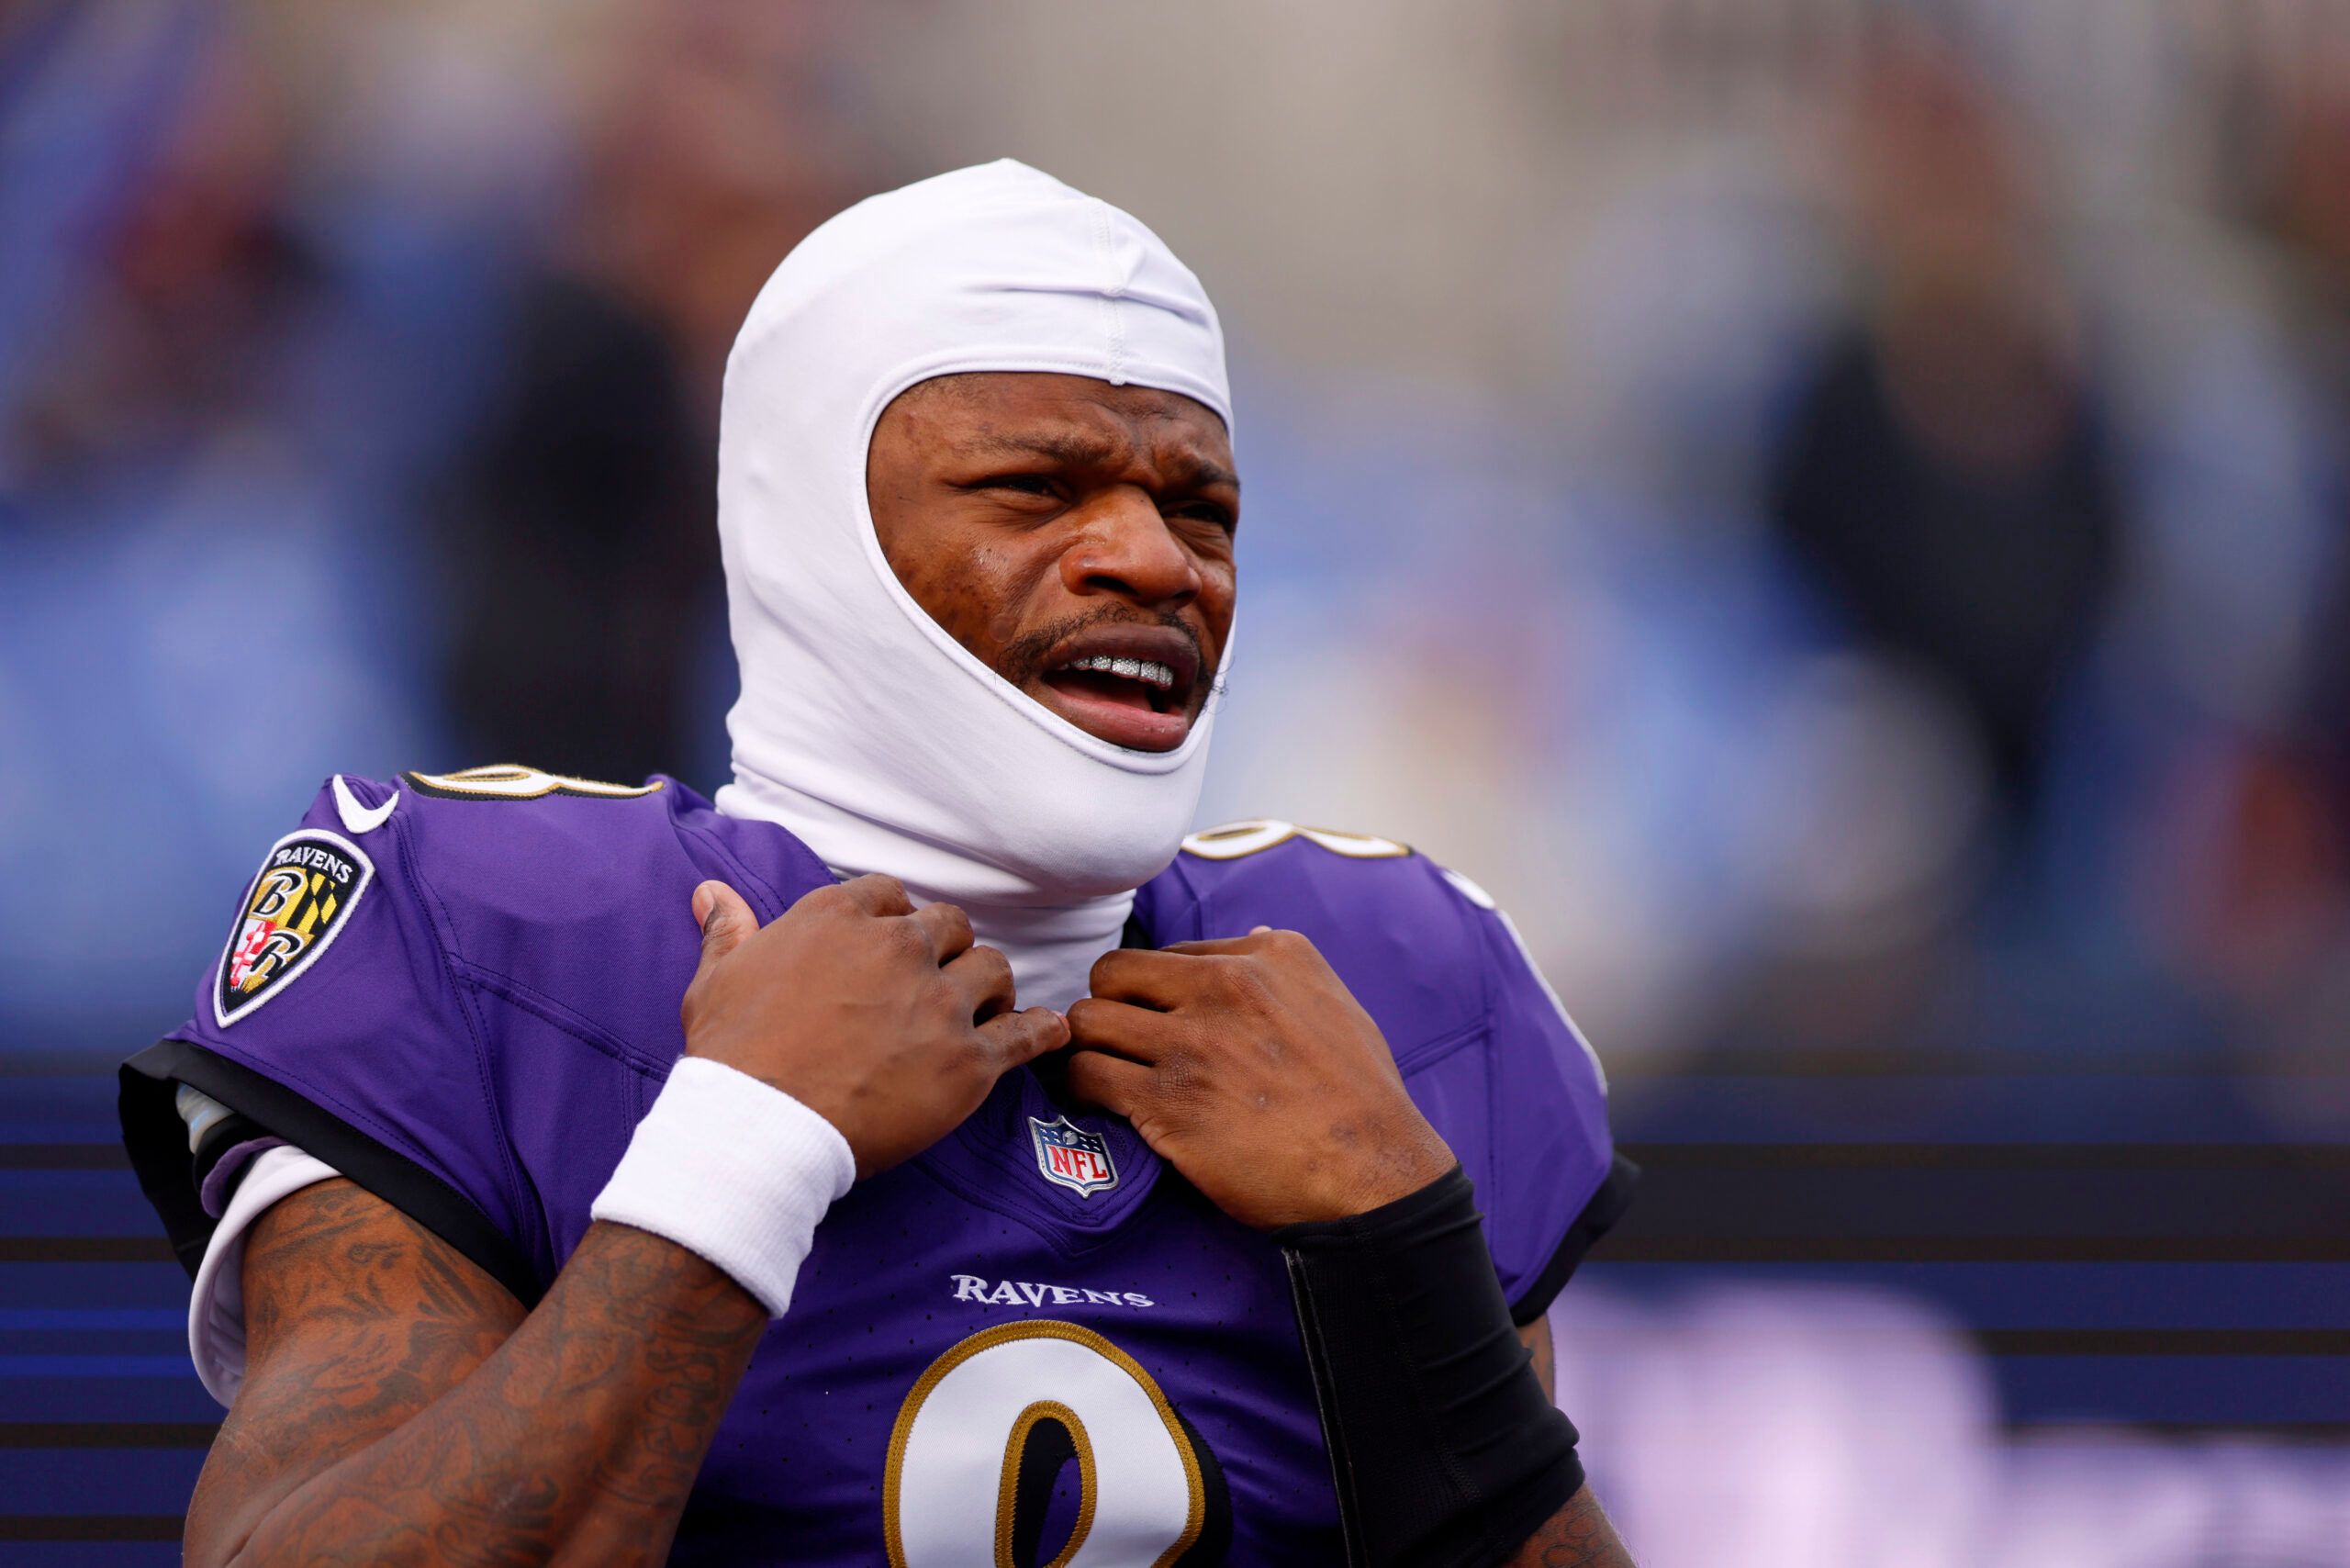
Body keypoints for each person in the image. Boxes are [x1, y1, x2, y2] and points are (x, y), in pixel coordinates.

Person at [120, 161, 1636, 1566]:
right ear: (815, 537)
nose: (1160, 562)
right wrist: (735, 1160)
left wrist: (1404, 1258)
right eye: (1035, 490)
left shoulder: (1401, 979)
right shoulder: (496, 933)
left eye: (1200, 506)